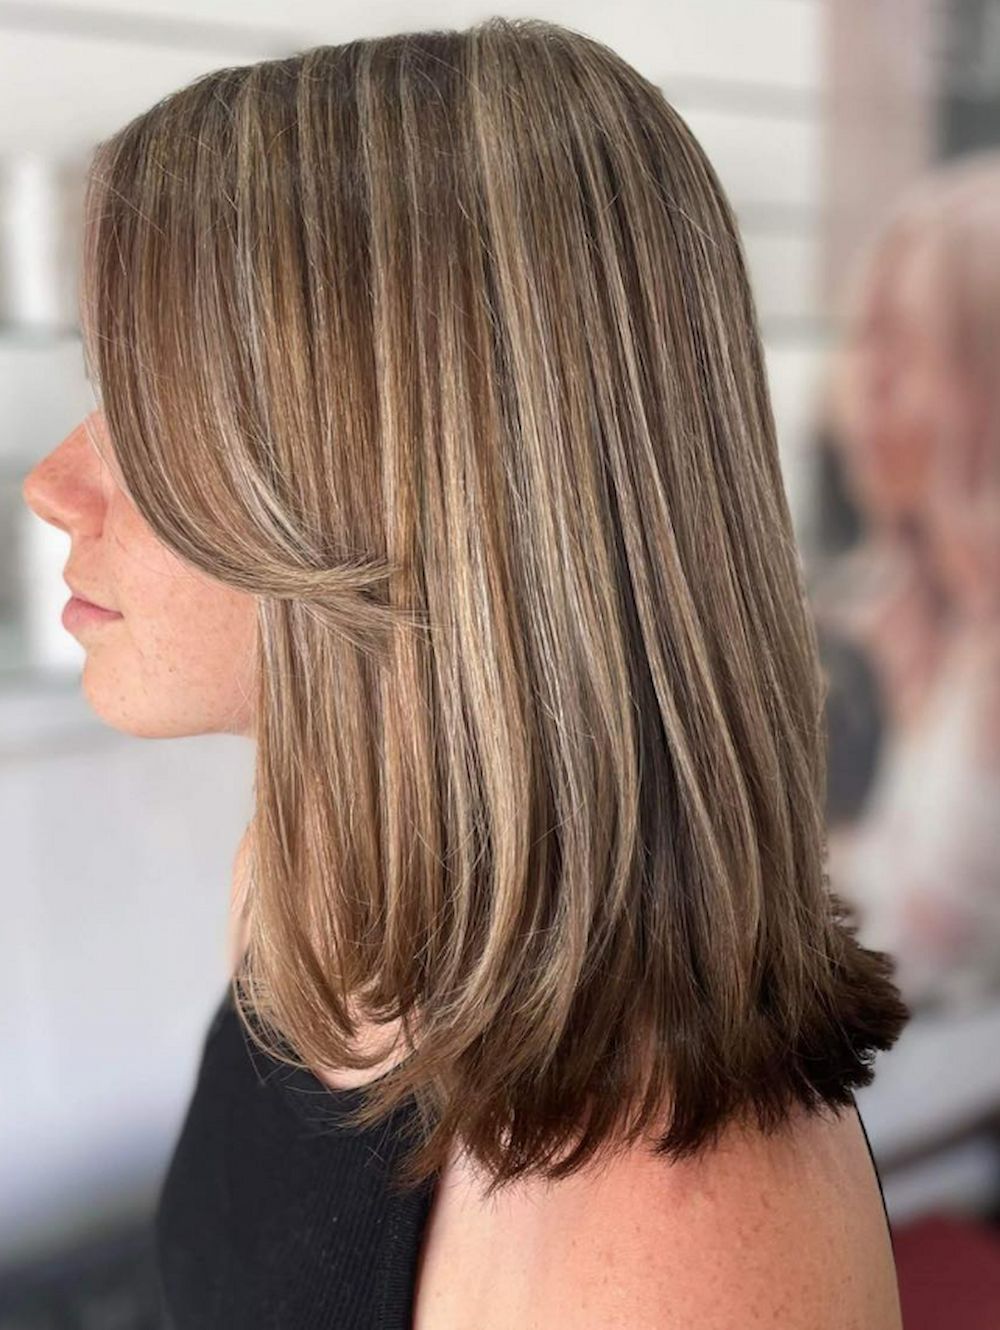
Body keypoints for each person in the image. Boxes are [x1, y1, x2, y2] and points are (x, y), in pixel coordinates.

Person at [21, 18, 908, 1329]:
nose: (53, 485)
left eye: (152, 407)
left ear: (414, 478)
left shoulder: (683, 1250)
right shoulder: (312, 887)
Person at [818, 151, 1000, 1016]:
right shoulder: (911, 614)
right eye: (863, 342)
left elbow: (912, 955)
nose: (860, 387)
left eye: (902, 350)